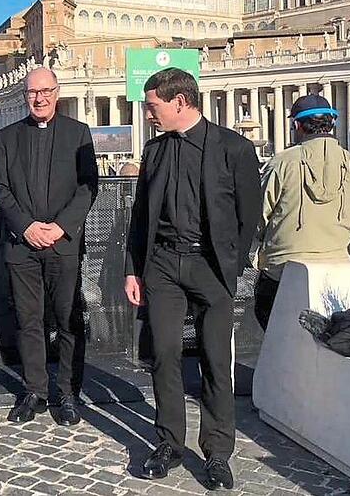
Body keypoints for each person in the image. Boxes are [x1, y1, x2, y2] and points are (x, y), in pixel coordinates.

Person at [124, 68, 260, 490]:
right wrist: (133, 268)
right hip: (162, 265)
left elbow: (248, 214)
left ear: (179, 102)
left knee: (217, 361)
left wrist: (230, 268)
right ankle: (168, 443)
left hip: (211, 267)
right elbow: (141, 214)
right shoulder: (155, 150)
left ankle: (217, 453)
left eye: (153, 106)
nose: (149, 114)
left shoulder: (234, 148)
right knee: (163, 353)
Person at [0, 67, 98, 426]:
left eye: (46, 91)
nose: (39, 98)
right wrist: (26, 227)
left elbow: (88, 187)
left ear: (56, 93)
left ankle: (68, 393)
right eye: (33, 92)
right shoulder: (6, 137)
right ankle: (35, 390)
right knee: (28, 321)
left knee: (68, 320)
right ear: (25, 95)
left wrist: (59, 227)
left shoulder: (78, 134)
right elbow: (1, 188)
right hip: (22, 245)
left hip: (62, 243)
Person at [253, 94, 350, 330]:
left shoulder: (282, 162)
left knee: (272, 324)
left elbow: (258, 215)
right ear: (332, 123)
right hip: (336, 265)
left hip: (281, 270)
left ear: (296, 125)